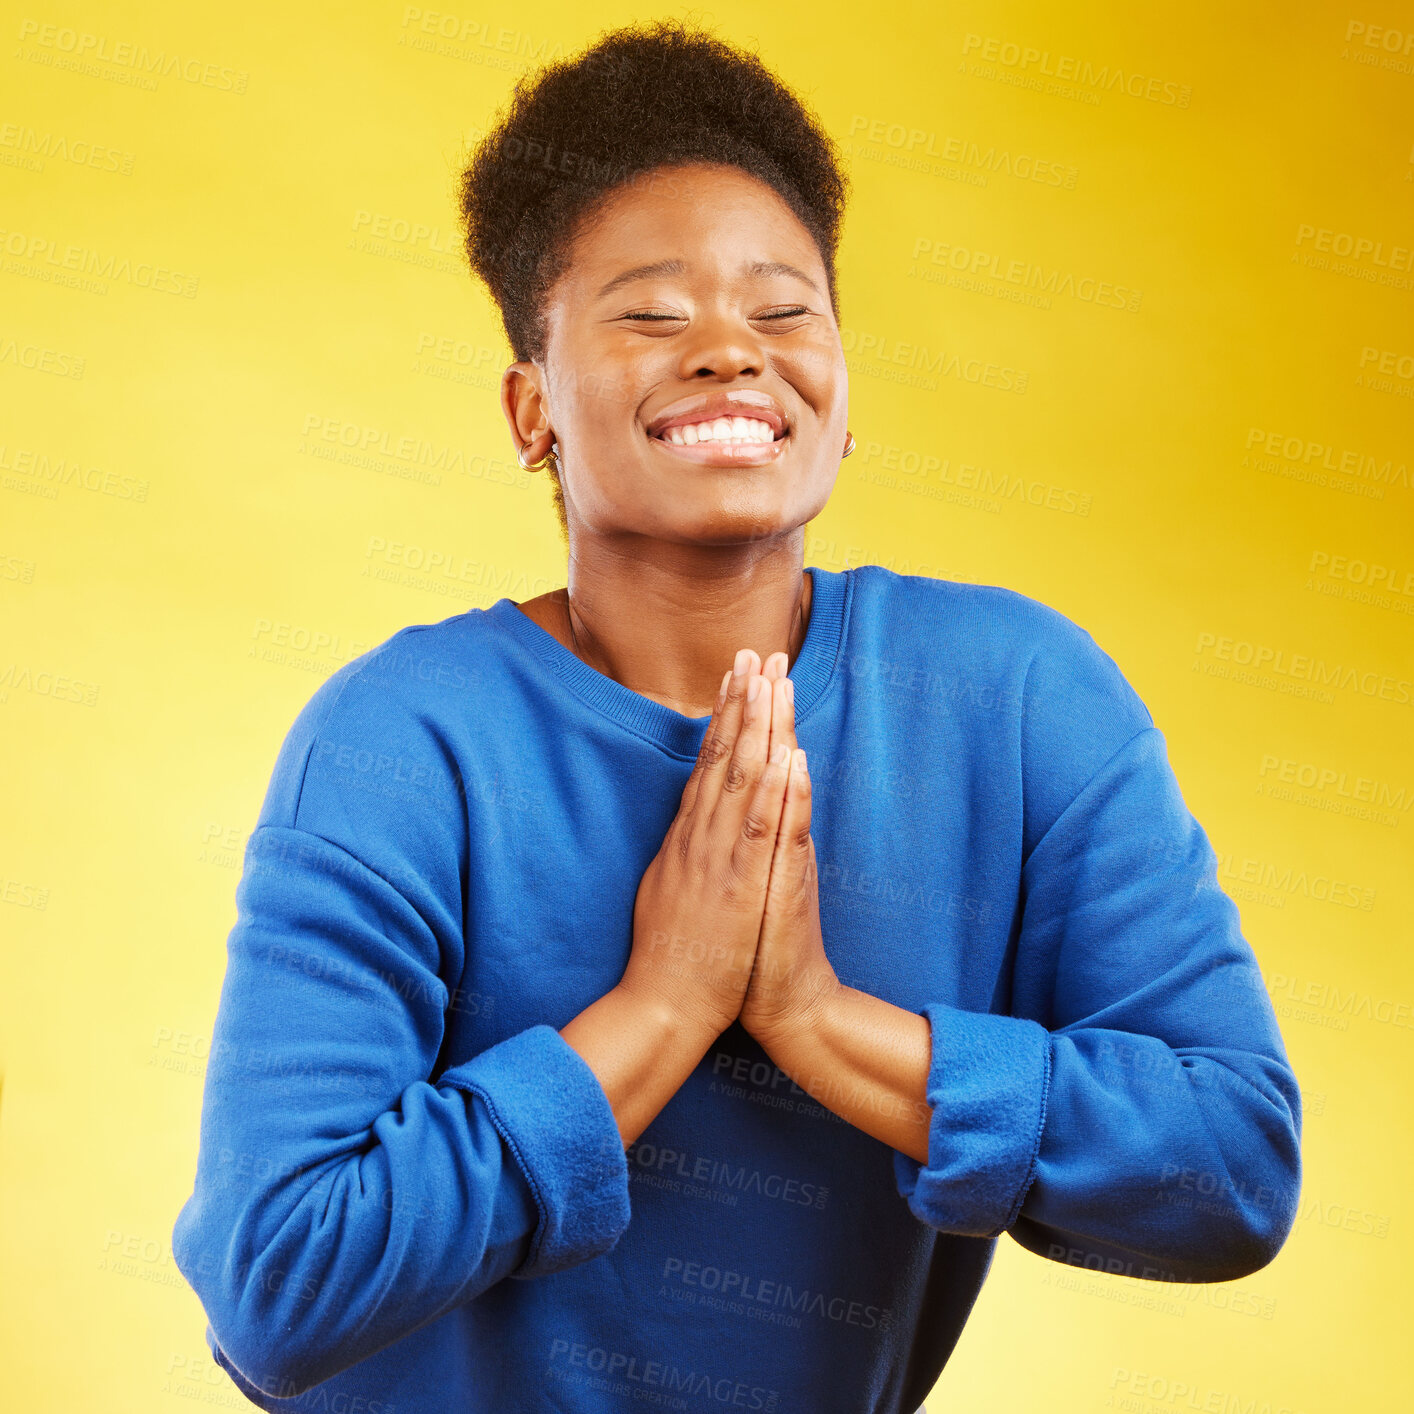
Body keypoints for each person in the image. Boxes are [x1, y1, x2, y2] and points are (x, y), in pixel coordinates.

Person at [171, 19, 1302, 1414]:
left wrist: (819, 1022)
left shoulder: (1015, 700)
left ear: (841, 399)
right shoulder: (400, 739)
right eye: (650, 313)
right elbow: (277, 1284)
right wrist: (660, 1007)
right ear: (531, 410)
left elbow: (1233, 1168)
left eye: (782, 312)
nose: (727, 353)